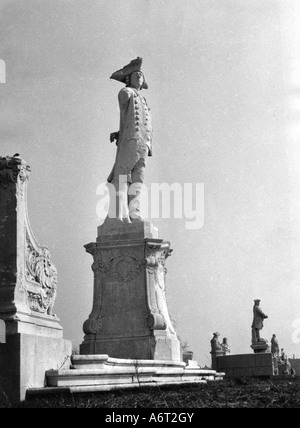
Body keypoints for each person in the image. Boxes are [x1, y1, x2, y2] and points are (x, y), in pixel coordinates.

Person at [107, 57, 153, 222]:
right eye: (136, 75)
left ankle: (135, 213)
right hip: (131, 141)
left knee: (138, 179)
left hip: (143, 145)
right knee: (122, 175)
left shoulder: (143, 99)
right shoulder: (126, 92)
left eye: (141, 76)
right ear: (129, 79)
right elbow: (125, 111)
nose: (140, 77)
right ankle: (119, 213)